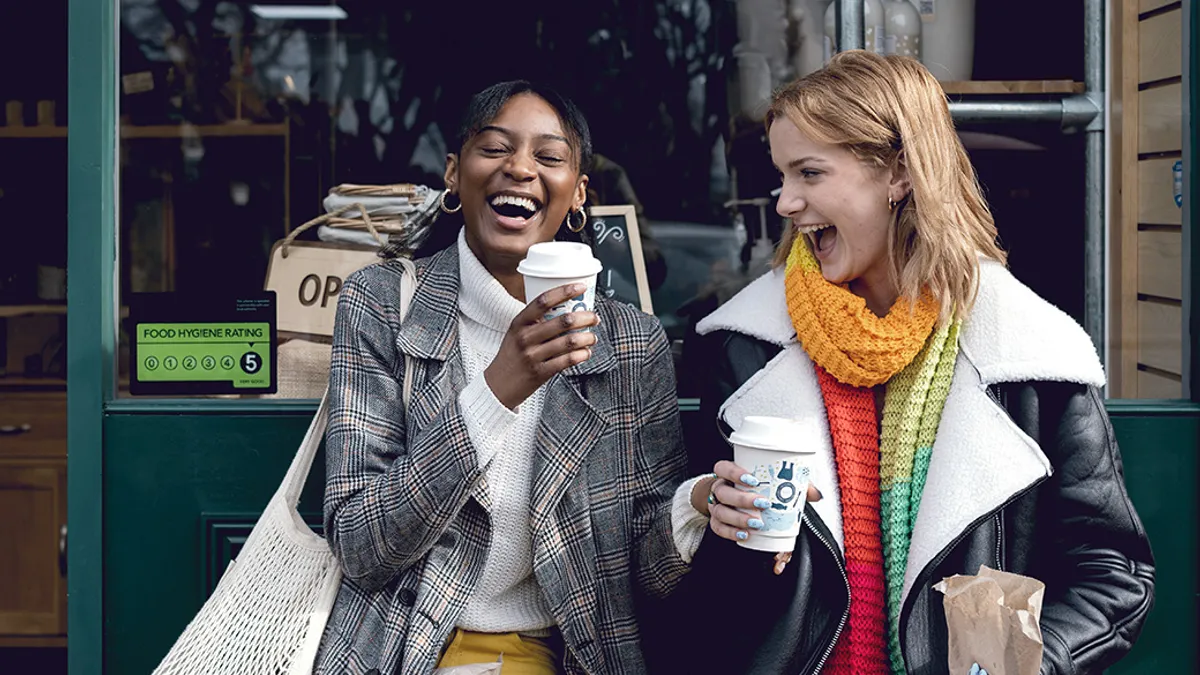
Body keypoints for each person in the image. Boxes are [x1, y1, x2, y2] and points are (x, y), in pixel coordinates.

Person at [665, 51, 1155, 674]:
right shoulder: (744, 344)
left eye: (810, 173)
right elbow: (711, 610)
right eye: (782, 176)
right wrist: (713, 512)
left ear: (898, 174)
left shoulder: (1029, 354)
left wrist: (1034, 662)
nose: (786, 202)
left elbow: (1111, 570)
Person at [314, 81, 700, 675]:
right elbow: (362, 548)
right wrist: (497, 390)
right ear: (453, 173)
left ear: (577, 195)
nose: (519, 168)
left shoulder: (629, 344)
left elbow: (646, 574)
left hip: (565, 652)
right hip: (408, 649)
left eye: (548, 157)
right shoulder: (382, 302)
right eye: (494, 148)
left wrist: (697, 507)